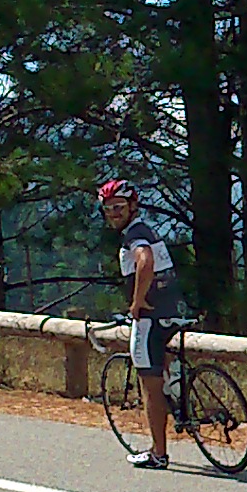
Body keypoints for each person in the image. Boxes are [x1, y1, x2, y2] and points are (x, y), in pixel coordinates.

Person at [99, 178, 182, 469]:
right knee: (165, 369)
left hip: (150, 317)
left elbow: (145, 260)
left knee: (150, 384)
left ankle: (158, 453)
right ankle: (181, 399)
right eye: (109, 208)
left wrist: (136, 302)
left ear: (133, 206)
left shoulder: (134, 235)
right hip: (173, 308)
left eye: (119, 207)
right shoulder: (146, 229)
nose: (113, 214)